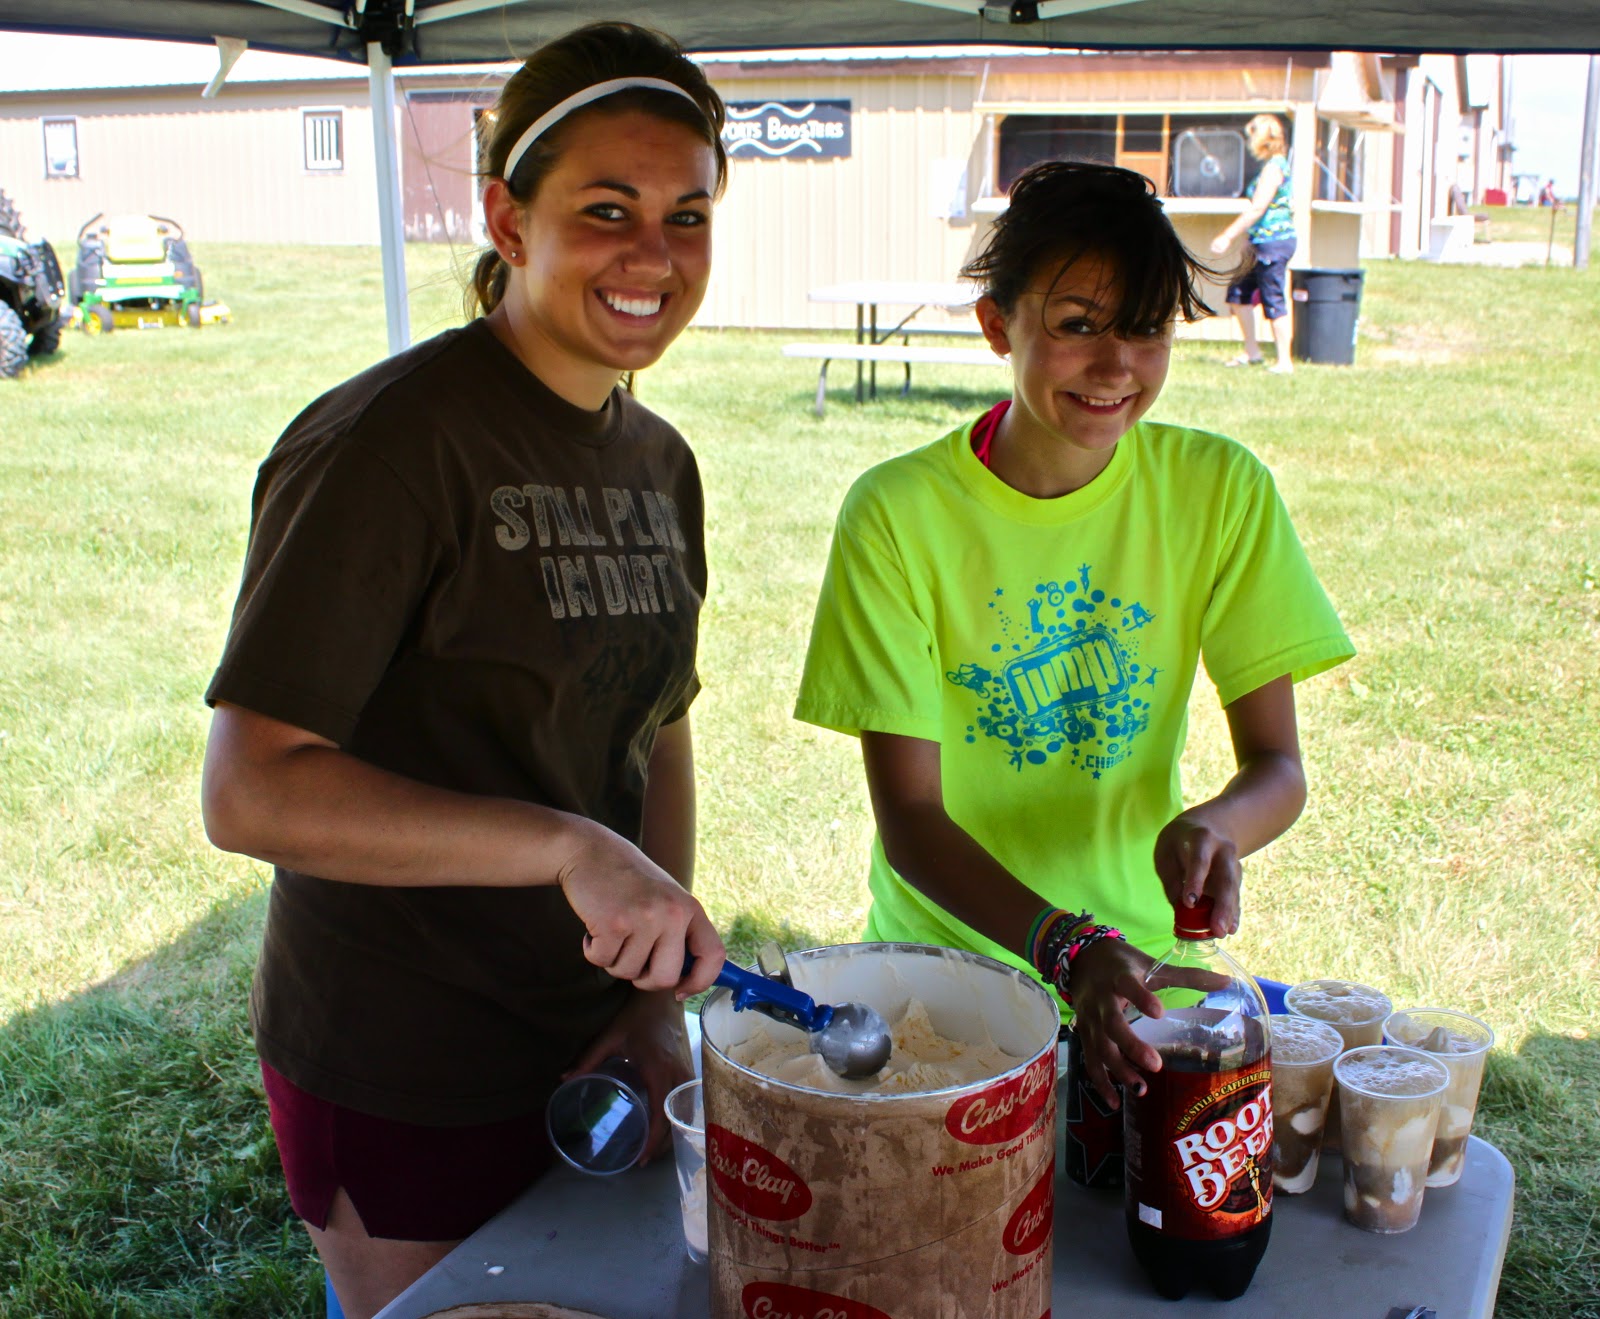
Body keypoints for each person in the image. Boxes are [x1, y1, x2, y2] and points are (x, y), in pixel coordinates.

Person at [200, 23, 728, 1319]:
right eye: (608, 209)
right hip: (403, 1048)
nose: (653, 254)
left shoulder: (660, 463)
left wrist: (652, 994)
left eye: (689, 213)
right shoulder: (392, 442)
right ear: (507, 216)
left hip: (587, 1035)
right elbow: (252, 790)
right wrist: (559, 843)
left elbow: (657, 730)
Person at [795, 161, 1353, 1110]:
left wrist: (1218, 826)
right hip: (947, 983)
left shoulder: (1219, 492)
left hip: (1139, 973)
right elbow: (913, 823)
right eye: (1077, 326)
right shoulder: (899, 514)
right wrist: (1066, 944)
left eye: (1144, 326)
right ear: (996, 324)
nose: (1116, 365)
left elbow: (1278, 768)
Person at [1210, 113, 1297, 374]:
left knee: (1273, 300)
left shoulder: (1274, 168)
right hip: (1260, 242)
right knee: (1238, 294)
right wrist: (1248, 241)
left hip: (1274, 243)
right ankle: (1253, 353)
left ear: (1264, 139)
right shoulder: (1269, 166)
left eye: (1252, 136)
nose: (1249, 142)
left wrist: (1227, 236)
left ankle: (1285, 362)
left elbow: (1258, 207)